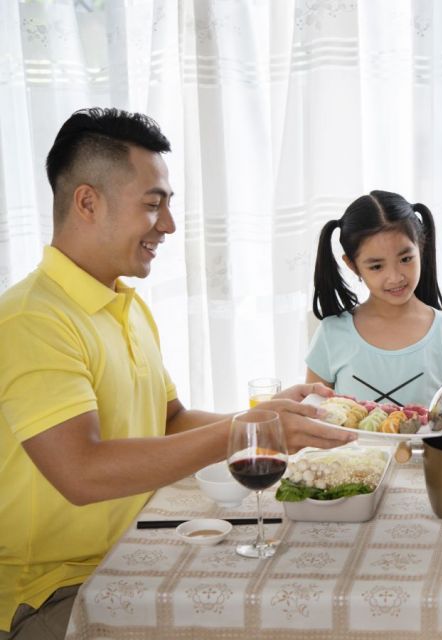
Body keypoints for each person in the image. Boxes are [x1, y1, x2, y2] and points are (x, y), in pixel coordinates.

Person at [0, 108, 353, 639]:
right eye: (153, 204)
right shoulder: (32, 319)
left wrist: (267, 418)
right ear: (88, 202)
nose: (167, 224)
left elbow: (171, 419)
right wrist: (256, 432)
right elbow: (81, 473)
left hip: (128, 556)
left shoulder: (127, 306)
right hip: (54, 594)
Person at [306, 190, 442, 417]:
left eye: (406, 259)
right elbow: (312, 410)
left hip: (428, 453)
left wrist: (426, 422)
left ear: (421, 248)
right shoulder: (331, 333)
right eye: (377, 266)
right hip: (352, 453)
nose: (395, 277)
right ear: (352, 265)